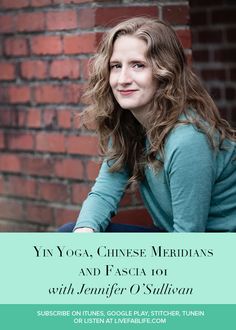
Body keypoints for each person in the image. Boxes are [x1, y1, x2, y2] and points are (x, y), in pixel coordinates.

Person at [59, 17, 236, 233]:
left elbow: (190, 241)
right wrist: (83, 235)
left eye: (138, 65)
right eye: (116, 66)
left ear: (165, 72)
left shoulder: (188, 139)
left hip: (213, 254)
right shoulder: (130, 124)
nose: (122, 79)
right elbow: (105, 192)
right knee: (70, 234)